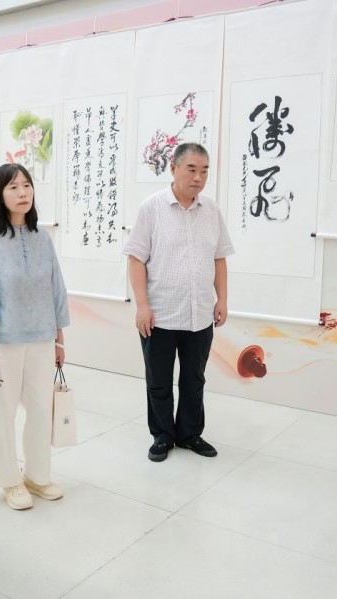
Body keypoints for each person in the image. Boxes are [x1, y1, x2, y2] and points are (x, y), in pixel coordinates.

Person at [123, 142, 234, 463]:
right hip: (159, 314)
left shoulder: (211, 211)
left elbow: (219, 258)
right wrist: (142, 305)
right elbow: (136, 259)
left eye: (204, 171)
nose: (198, 177)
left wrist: (222, 299)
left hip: (199, 314)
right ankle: (162, 435)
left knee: (193, 380)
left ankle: (189, 434)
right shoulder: (152, 208)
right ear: (173, 169)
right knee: (158, 381)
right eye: (191, 169)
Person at [0, 163, 70, 511]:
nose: (22, 193)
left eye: (26, 185)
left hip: (41, 338)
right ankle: (9, 480)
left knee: (41, 410)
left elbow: (55, 289)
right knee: (2, 414)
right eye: (13, 187)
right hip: (1, 342)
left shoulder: (42, 238)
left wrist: (58, 339)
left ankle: (37, 475)